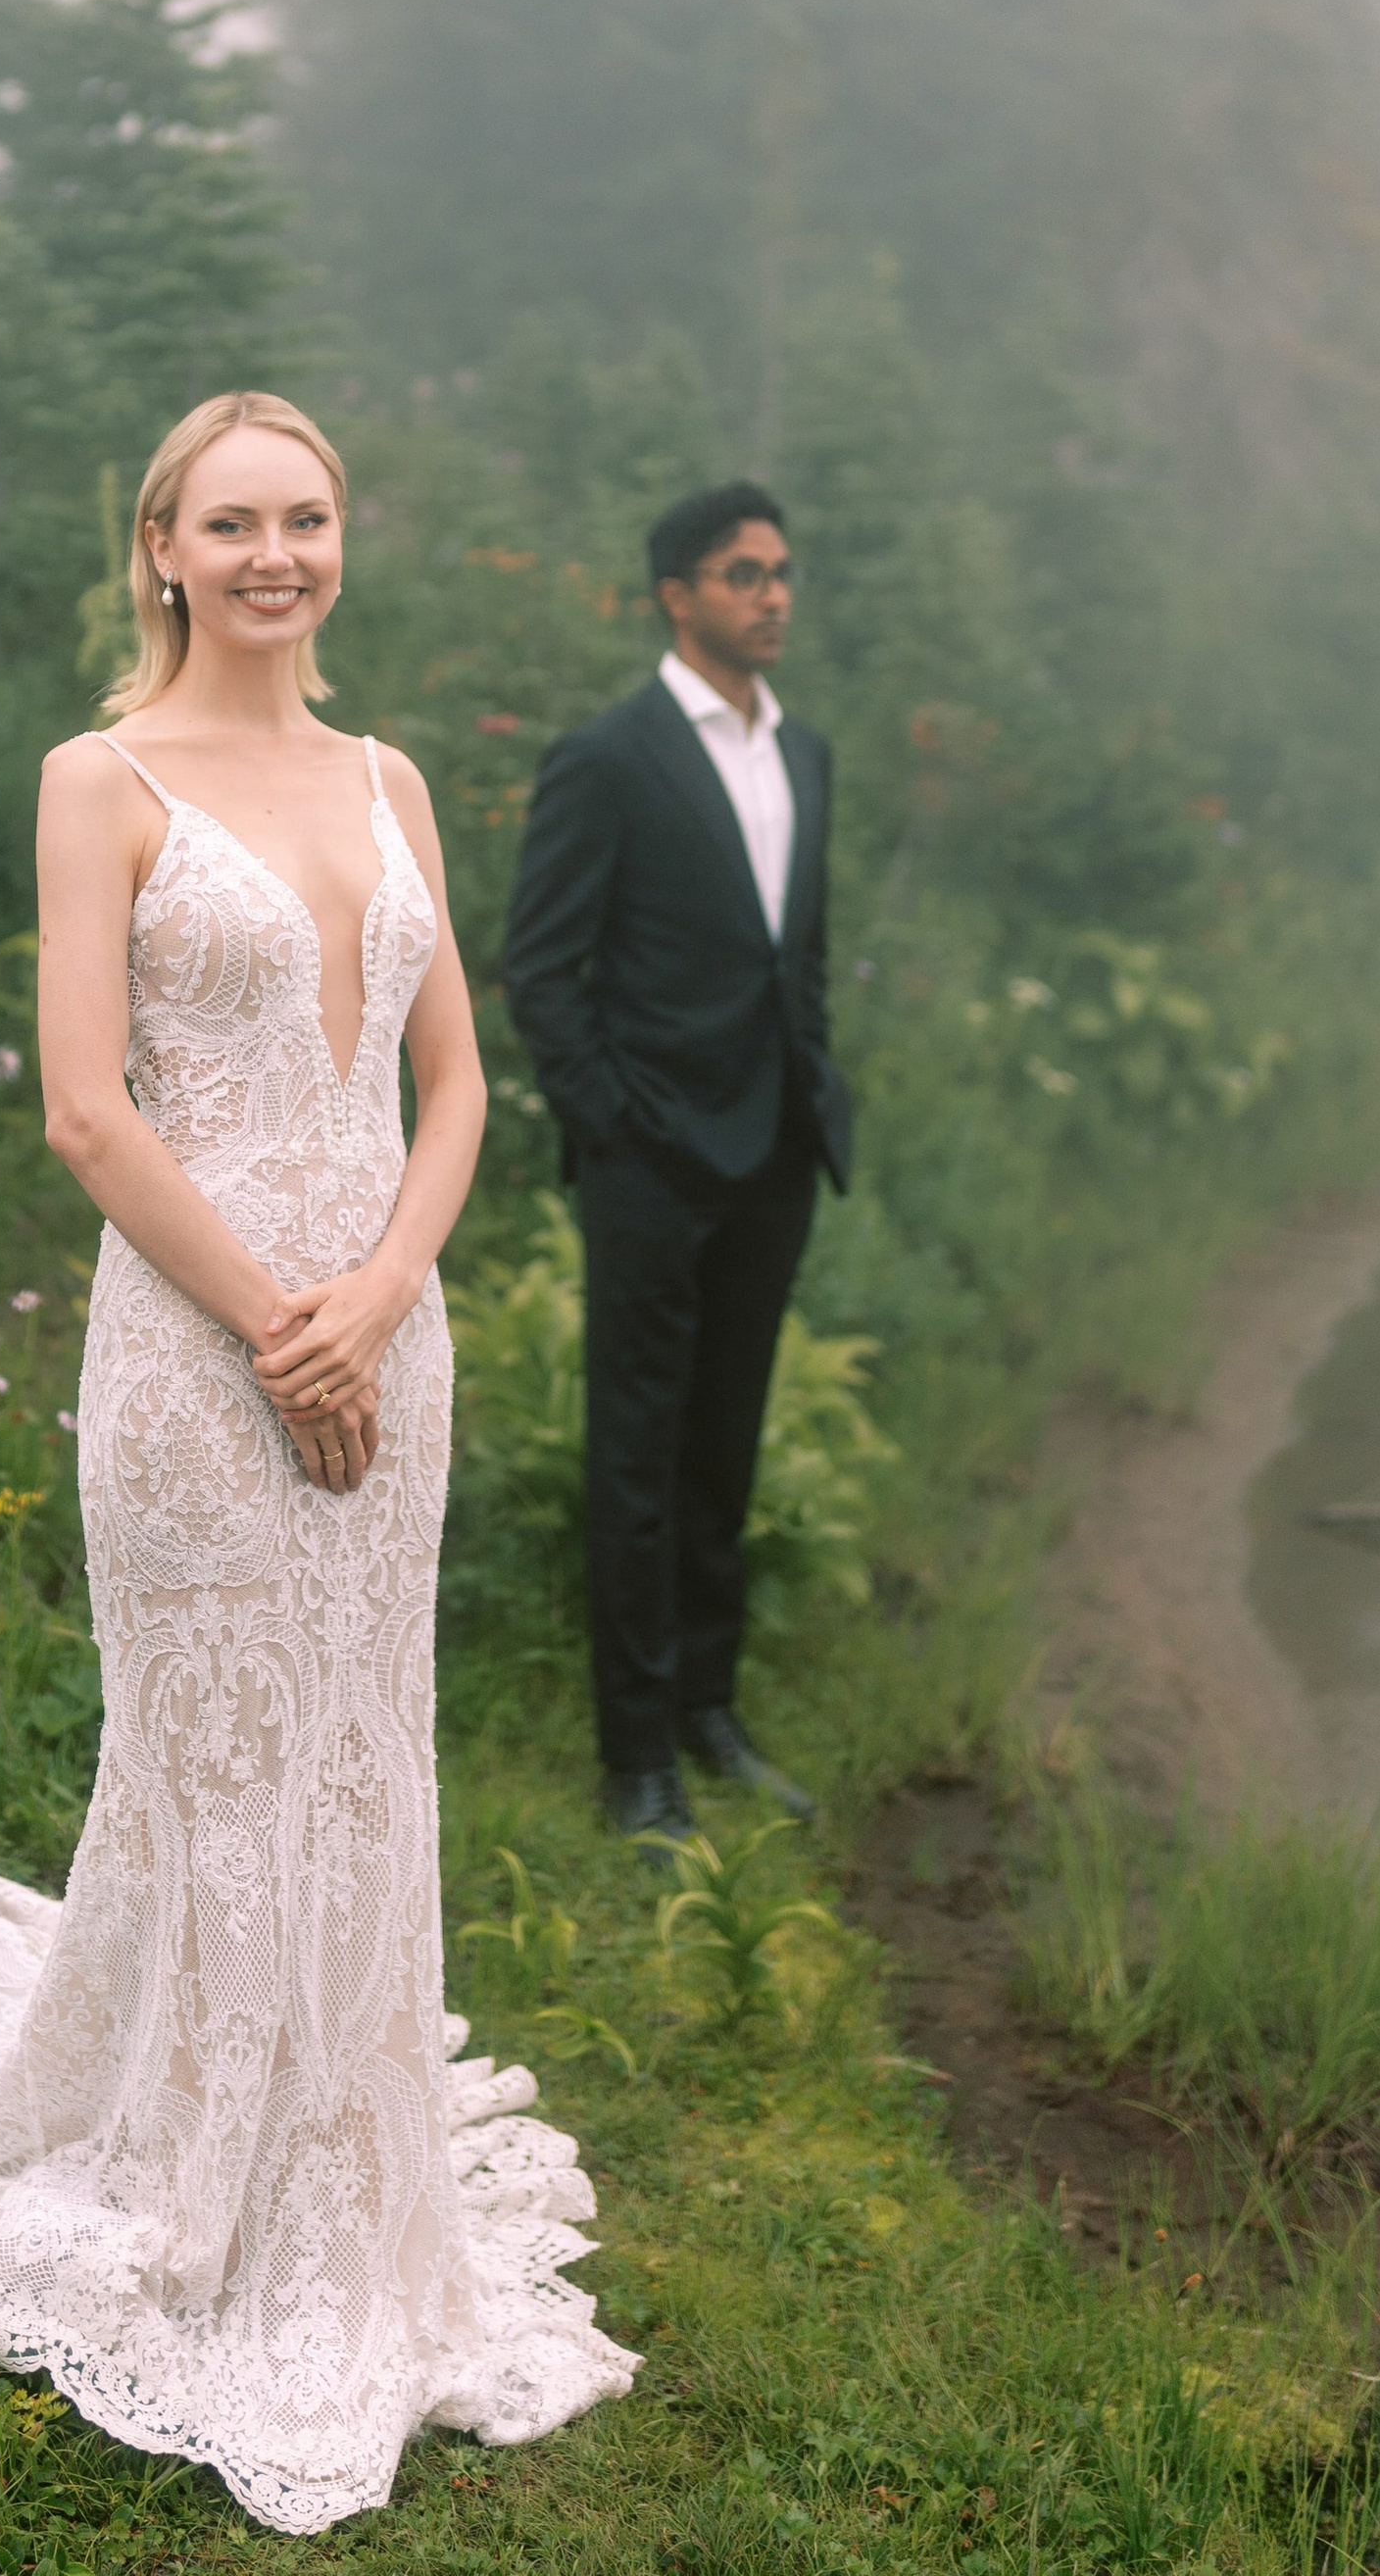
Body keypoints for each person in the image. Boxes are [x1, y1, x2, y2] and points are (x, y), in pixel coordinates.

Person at [0, 391, 635, 2537]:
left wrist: (379, 1292)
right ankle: (195, 2175)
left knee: (364, 1747)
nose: (276, 554)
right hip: (192, 1363)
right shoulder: (93, 784)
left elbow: (457, 1077)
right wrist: (274, 1331)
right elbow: (89, 1113)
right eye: (234, 523)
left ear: (335, 544)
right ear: (161, 551)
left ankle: (341, 2169)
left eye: (307, 519)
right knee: (216, 1762)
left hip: (390, 1341)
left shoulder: (386, 782)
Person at [500, 482, 850, 1848]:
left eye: (782, 570)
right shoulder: (613, 755)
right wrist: (613, 1123)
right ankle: (634, 1758)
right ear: (677, 594)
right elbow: (541, 965)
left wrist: (810, 1083)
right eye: (742, 572)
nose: (772, 593)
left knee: (724, 1445)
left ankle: (710, 1711)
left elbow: (795, 955)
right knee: (638, 1457)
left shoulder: (803, 753)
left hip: (772, 1151)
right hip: (653, 1159)